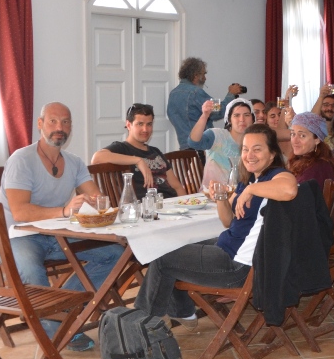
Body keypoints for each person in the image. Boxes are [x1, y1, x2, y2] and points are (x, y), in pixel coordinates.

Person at [135, 125, 298, 323]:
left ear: (272, 154)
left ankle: (143, 323)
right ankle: (183, 312)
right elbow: (228, 221)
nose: (249, 155)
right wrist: (221, 197)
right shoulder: (250, 179)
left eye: (257, 149)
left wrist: (250, 191)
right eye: (245, 149)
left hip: (238, 266)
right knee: (172, 245)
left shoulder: (276, 176)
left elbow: (290, 189)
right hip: (229, 247)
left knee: (162, 259)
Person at [0, 103, 124, 351]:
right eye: (53, 121)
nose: (60, 127)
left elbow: (97, 198)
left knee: (115, 253)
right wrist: (64, 211)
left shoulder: (74, 162)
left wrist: (99, 204)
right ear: (40, 124)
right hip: (19, 235)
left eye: (65, 122)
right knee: (32, 272)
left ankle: (62, 311)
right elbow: (20, 212)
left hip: (58, 234)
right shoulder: (21, 160)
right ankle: (58, 333)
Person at [91, 103, 186, 200]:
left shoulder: (155, 151)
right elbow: (97, 158)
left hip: (171, 203)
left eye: (149, 124)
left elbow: (177, 186)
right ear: (129, 125)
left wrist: (186, 204)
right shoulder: (121, 148)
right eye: (140, 124)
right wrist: (138, 161)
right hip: (145, 206)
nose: (145, 129)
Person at [167, 57, 242, 149]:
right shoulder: (196, 92)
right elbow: (218, 112)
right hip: (200, 146)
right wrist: (231, 94)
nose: (205, 78)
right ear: (195, 75)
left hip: (184, 148)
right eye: (203, 74)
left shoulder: (173, 94)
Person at [188, 97, 254, 188]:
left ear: (252, 119)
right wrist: (205, 115)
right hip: (212, 193)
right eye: (236, 115)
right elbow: (193, 142)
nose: (242, 119)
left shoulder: (254, 143)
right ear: (229, 120)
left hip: (240, 194)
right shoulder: (217, 136)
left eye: (246, 115)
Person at [287, 112, 334, 186]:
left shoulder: (316, 169)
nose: (295, 140)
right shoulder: (303, 160)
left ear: (317, 139)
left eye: (302, 136)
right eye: (293, 134)